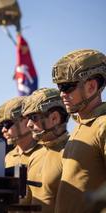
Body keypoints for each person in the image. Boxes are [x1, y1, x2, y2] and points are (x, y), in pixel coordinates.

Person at [51, 49, 106, 212]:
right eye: (60, 87)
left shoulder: (102, 125)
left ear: (91, 86)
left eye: (67, 87)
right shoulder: (80, 127)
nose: (61, 94)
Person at [22, 88, 69, 213]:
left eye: (34, 117)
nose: (29, 125)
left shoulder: (71, 152)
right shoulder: (35, 155)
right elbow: (27, 202)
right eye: (27, 118)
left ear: (55, 118)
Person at [0, 96, 40, 168]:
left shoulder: (45, 152)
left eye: (7, 124)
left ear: (27, 121)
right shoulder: (9, 157)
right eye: (2, 125)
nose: (3, 130)